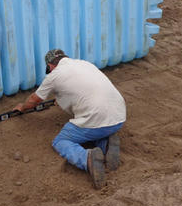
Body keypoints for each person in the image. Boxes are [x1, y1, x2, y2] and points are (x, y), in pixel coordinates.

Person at [14, 49, 127, 189]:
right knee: (95, 126)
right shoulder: (85, 64)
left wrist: (22, 107)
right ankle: (107, 143)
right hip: (119, 116)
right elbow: (82, 90)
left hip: (97, 118)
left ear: (50, 66)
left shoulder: (54, 76)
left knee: (61, 141)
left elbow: (34, 100)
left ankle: (87, 159)